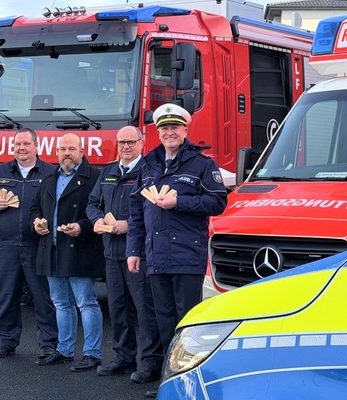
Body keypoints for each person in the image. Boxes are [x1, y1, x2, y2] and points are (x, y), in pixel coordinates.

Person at [127, 104, 228, 395]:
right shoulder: (149, 165)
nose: (169, 133)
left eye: (175, 127)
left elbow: (218, 203)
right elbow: (136, 210)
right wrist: (134, 250)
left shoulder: (202, 164)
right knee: (163, 318)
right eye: (164, 128)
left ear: (185, 130)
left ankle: (191, 378)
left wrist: (179, 203)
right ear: (157, 132)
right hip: (156, 254)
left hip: (186, 253)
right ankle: (168, 378)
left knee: (188, 319)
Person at [0, 128, 59, 363]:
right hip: (7, 244)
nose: (22, 148)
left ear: (36, 146)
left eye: (26, 144)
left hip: (38, 245)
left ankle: (48, 344)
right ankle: (6, 342)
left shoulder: (50, 173)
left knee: (43, 297)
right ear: (13, 147)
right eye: (18, 145)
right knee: (6, 295)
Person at [87, 126, 162, 380]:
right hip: (111, 252)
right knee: (118, 308)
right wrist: (96, 220)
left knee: (144, 308)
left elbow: (155, 211)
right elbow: (92, 203)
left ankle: (150, 362)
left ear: (142, 143)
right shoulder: (107, 171)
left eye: (131, 142)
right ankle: (123, 357)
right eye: (121, 143)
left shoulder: (149, 172)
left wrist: (127, 225)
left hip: (138, 252)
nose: (126, 147)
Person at [31, 133, 105, 371]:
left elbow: (99, 210)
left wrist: (82, 227)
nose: (67, 153)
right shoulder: (49, 177)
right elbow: (35, 207)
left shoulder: (94, 177)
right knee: (61, 303)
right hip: (51, 249)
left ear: (82, 151)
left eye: (72, 149)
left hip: (79, 248)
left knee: (86, 303)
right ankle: (64, 350)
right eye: (63, 149)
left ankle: (92, 353)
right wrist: (36, 222)